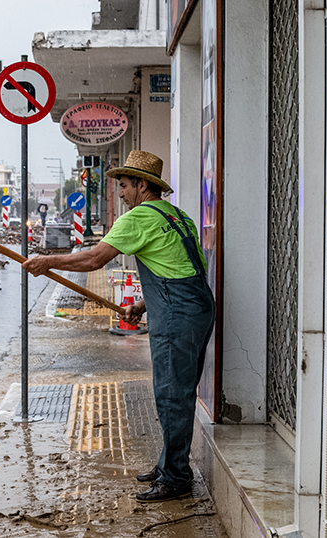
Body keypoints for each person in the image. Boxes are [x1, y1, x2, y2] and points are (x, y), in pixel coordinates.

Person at [22, 150, 214, 503]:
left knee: (172, 394)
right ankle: (168, 464)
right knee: (180, 391)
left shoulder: (139, 216)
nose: (121, 193)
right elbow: (183, 268)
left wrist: (48, 260)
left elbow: (95, 258)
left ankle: (176, 477)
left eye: (124, 186)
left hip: (176, 316)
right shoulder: (178, 216)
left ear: (143, 185)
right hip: (199, 308)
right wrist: (142, 305)